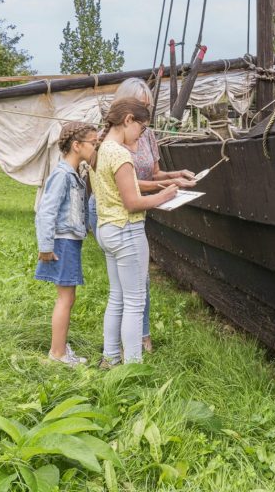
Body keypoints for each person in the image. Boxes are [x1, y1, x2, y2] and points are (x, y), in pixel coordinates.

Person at [87, 77, 195, 353]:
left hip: (107, 225)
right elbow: (132, 199)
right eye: (141, 125)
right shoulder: (121, 154)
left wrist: (169, 178)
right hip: (126, 227)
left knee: (117, 297)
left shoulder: (100, 149)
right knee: (134, 301)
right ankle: (133, 366)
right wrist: (164, 195)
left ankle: (111, 357)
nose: (142, 133)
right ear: (128, 119)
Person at [35, 121, 98, 367]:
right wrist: (46, 247)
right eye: (92, 143)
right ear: (76, 145)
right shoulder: (61, 175)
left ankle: (59, 349)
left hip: (69, 241)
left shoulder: (74, 174)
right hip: (62, 243)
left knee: (68, 297)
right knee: (65, 299)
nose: (95, 147)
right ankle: (57, 354)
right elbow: (46, 212)